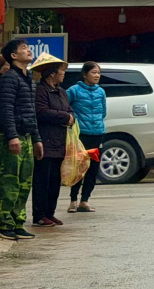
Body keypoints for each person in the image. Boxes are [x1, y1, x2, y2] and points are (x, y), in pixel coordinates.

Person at [0, 38, 43, 241]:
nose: (29, 51)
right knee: (10, 181)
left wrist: (37, 139)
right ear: (13, 56)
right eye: (24, 48)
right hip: (12, 138)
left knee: (24, 183)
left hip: (27, 138)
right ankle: (5, 224)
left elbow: (32, 113)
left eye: (28, 48)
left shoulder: (29, 78)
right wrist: (12, 136)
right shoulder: (9, 79)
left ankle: (18, 223)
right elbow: (6, 110)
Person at [31, 53, 73, 228]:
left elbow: (69, 110)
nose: (63, 74)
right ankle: (39, 215)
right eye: (61, 71)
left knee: (55, 180)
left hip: (59, 142)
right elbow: (41, 112)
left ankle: (50, 212)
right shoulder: (40, 90)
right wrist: (64, 117)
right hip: (45, 141)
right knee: (43, 179)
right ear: (52, 74)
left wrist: (70, 117)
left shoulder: (61, 92)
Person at [66, 61, 106, 213]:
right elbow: (65, 107)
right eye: (93, 72)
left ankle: (85, 200)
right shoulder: (74, 91)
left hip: (98, 134)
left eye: (98, 73)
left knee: (93, 168)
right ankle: (73, 200)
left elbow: (103, 112)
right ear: (84, 74)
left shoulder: (100, 92)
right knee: (78, 167)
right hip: (80, 135)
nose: (97, 76)